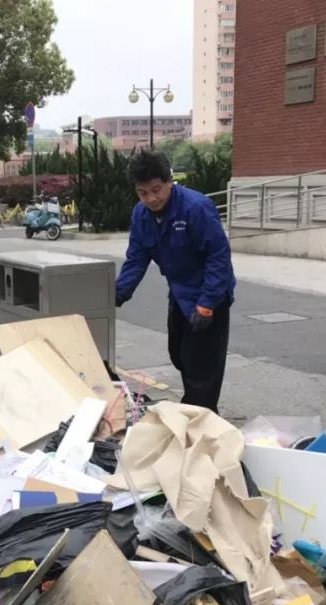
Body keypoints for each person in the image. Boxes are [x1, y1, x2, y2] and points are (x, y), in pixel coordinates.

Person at [115, 150, 236, 413]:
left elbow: (219, 258)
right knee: (179, 355)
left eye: (156, 190)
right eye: (143, 193)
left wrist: (207, 304)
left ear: (170, 181)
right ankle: (194, 406)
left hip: (208, 297)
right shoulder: (141, 215)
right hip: (180, 295)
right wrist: (117, 293)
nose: (151, 199)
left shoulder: (196, 207)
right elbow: (136, 257)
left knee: (201, 369)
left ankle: (198, 419)